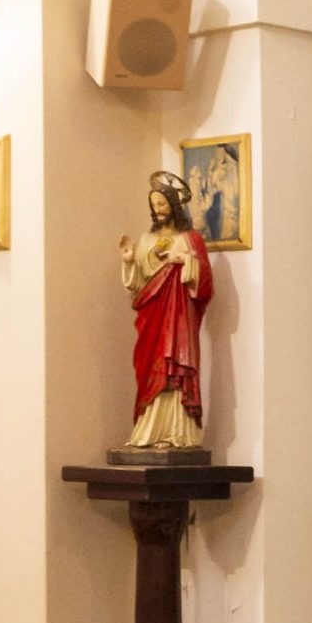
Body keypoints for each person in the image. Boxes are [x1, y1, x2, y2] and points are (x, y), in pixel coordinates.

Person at [119, 172, 214, 452]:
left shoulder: (190, 239)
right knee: (151, 366)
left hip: (180, 315)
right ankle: (148, 431)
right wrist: (129, 262)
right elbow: (137, 285)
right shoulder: (146, 240)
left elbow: (205, 283)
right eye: (155, 204)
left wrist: (186, 261)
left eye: (162, 203)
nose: (158, 210)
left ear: (174, 205)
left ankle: (178, 433)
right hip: (153, 313)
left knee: (176, 367)